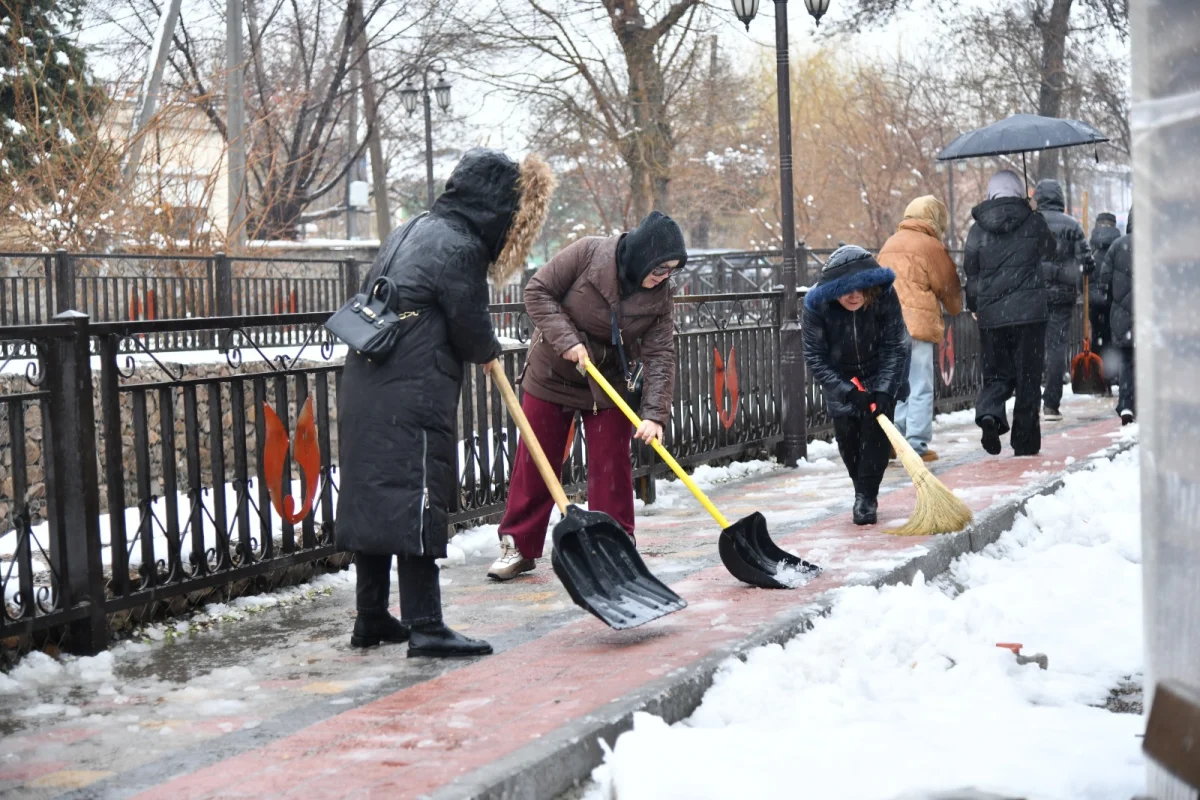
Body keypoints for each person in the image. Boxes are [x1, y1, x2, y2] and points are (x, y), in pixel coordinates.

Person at [336, 149, 554, 657]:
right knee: (416, 501)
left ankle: (370, 618)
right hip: (412, 390)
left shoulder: (416, 227)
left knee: (378, 501)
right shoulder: (460, 246)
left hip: (369, 379)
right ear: (498, 204)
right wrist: (488, 350)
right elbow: (468, 322)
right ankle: (427, 626)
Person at [487, 211, 683, 580]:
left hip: (608, 380)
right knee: (536, 461)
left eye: (672, 270)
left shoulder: (660, 295)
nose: (664, 277)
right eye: (660, 268)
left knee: (612, 466)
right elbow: (537, 291)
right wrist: (568, 341)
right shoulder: (588, 253)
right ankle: (519, 546)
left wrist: (655, 414)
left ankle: (615, 546)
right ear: (641, 256)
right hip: (553, 373)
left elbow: (660, 354)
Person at [803, 245, 909, 526]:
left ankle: (866, 497)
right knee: (849, 442)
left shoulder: (884, 298)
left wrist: (885, 390)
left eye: (860, 288)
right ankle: (860, 487)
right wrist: (848, 392)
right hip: (841, 379)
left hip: (880, 372)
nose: (854, 296)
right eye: (846, 289)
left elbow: (895, 346)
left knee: (876, 439)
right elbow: (815, 357)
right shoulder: (817, 306)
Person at [964, 169, 1057, 457]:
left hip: (993, 316)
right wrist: (1034, 214)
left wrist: (975, 305)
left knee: (997, 374)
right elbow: (1051, 251)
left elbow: (972, 273)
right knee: (1028, 378)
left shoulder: (978, 229)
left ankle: (991, 414)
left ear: (991, 194)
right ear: (1019, 192)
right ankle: (1025, 442)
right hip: (1030, 315)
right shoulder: (1033, 221)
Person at [877, 195, 963, 463]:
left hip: (889, 326)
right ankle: (917, 445)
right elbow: (947, 286)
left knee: (897, 386)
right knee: (920, 385)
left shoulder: (890, 244)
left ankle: (896, 440)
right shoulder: (930, 246)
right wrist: (954, 306)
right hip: (918, 326)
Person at [1033, 178, 1095, 420]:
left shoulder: (1031, 223)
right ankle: (1051, 404)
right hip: (1062, 295)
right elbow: (1087, 262)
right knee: (1057, 347)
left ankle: (1030, 401)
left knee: (1034, 347)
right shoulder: (1073, 226)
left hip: (1034, 295)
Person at [1099, 209, 1134, 424]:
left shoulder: (1117, 246)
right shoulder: (1158, 245)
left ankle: (1127, 405)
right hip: (1150, 316)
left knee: (1127, 362)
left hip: (1122, 316)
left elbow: (1104, 279)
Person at [1088, 211, 1122, 387]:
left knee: (1098, 337)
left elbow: (1083, 274)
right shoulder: (1118, 246)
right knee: (1113, 337)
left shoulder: (1091, 247)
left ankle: (1099, 378)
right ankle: (1113, 375)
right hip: (1113, 300)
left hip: (1094, 302)